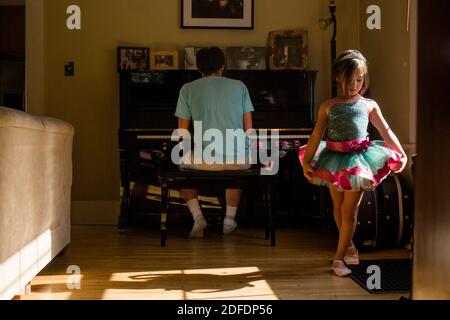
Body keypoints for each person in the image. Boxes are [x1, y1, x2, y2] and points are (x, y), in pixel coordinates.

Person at [298, 49, 407, 277]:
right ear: (339, 78)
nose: (355, 85)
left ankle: (338, 259)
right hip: (332, 159)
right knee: (337, 209)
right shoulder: (328, 106)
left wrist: (401, 153)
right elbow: (316, 135)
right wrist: (306, 161)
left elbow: (385, 130)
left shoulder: (369, 105)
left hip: (358, 162)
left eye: (359, 80)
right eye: (350, 80)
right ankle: (348, 246)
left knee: (350, 211)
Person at [174, 47, 254, 238]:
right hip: (239, 159)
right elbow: (248, 129)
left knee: (182, 166)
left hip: (205, 160)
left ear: (199, 68)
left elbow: (183, 133)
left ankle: (198, 217)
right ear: (222, 66)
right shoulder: (240, 86)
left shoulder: (187, 89)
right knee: (236, 169)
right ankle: (229, 220)